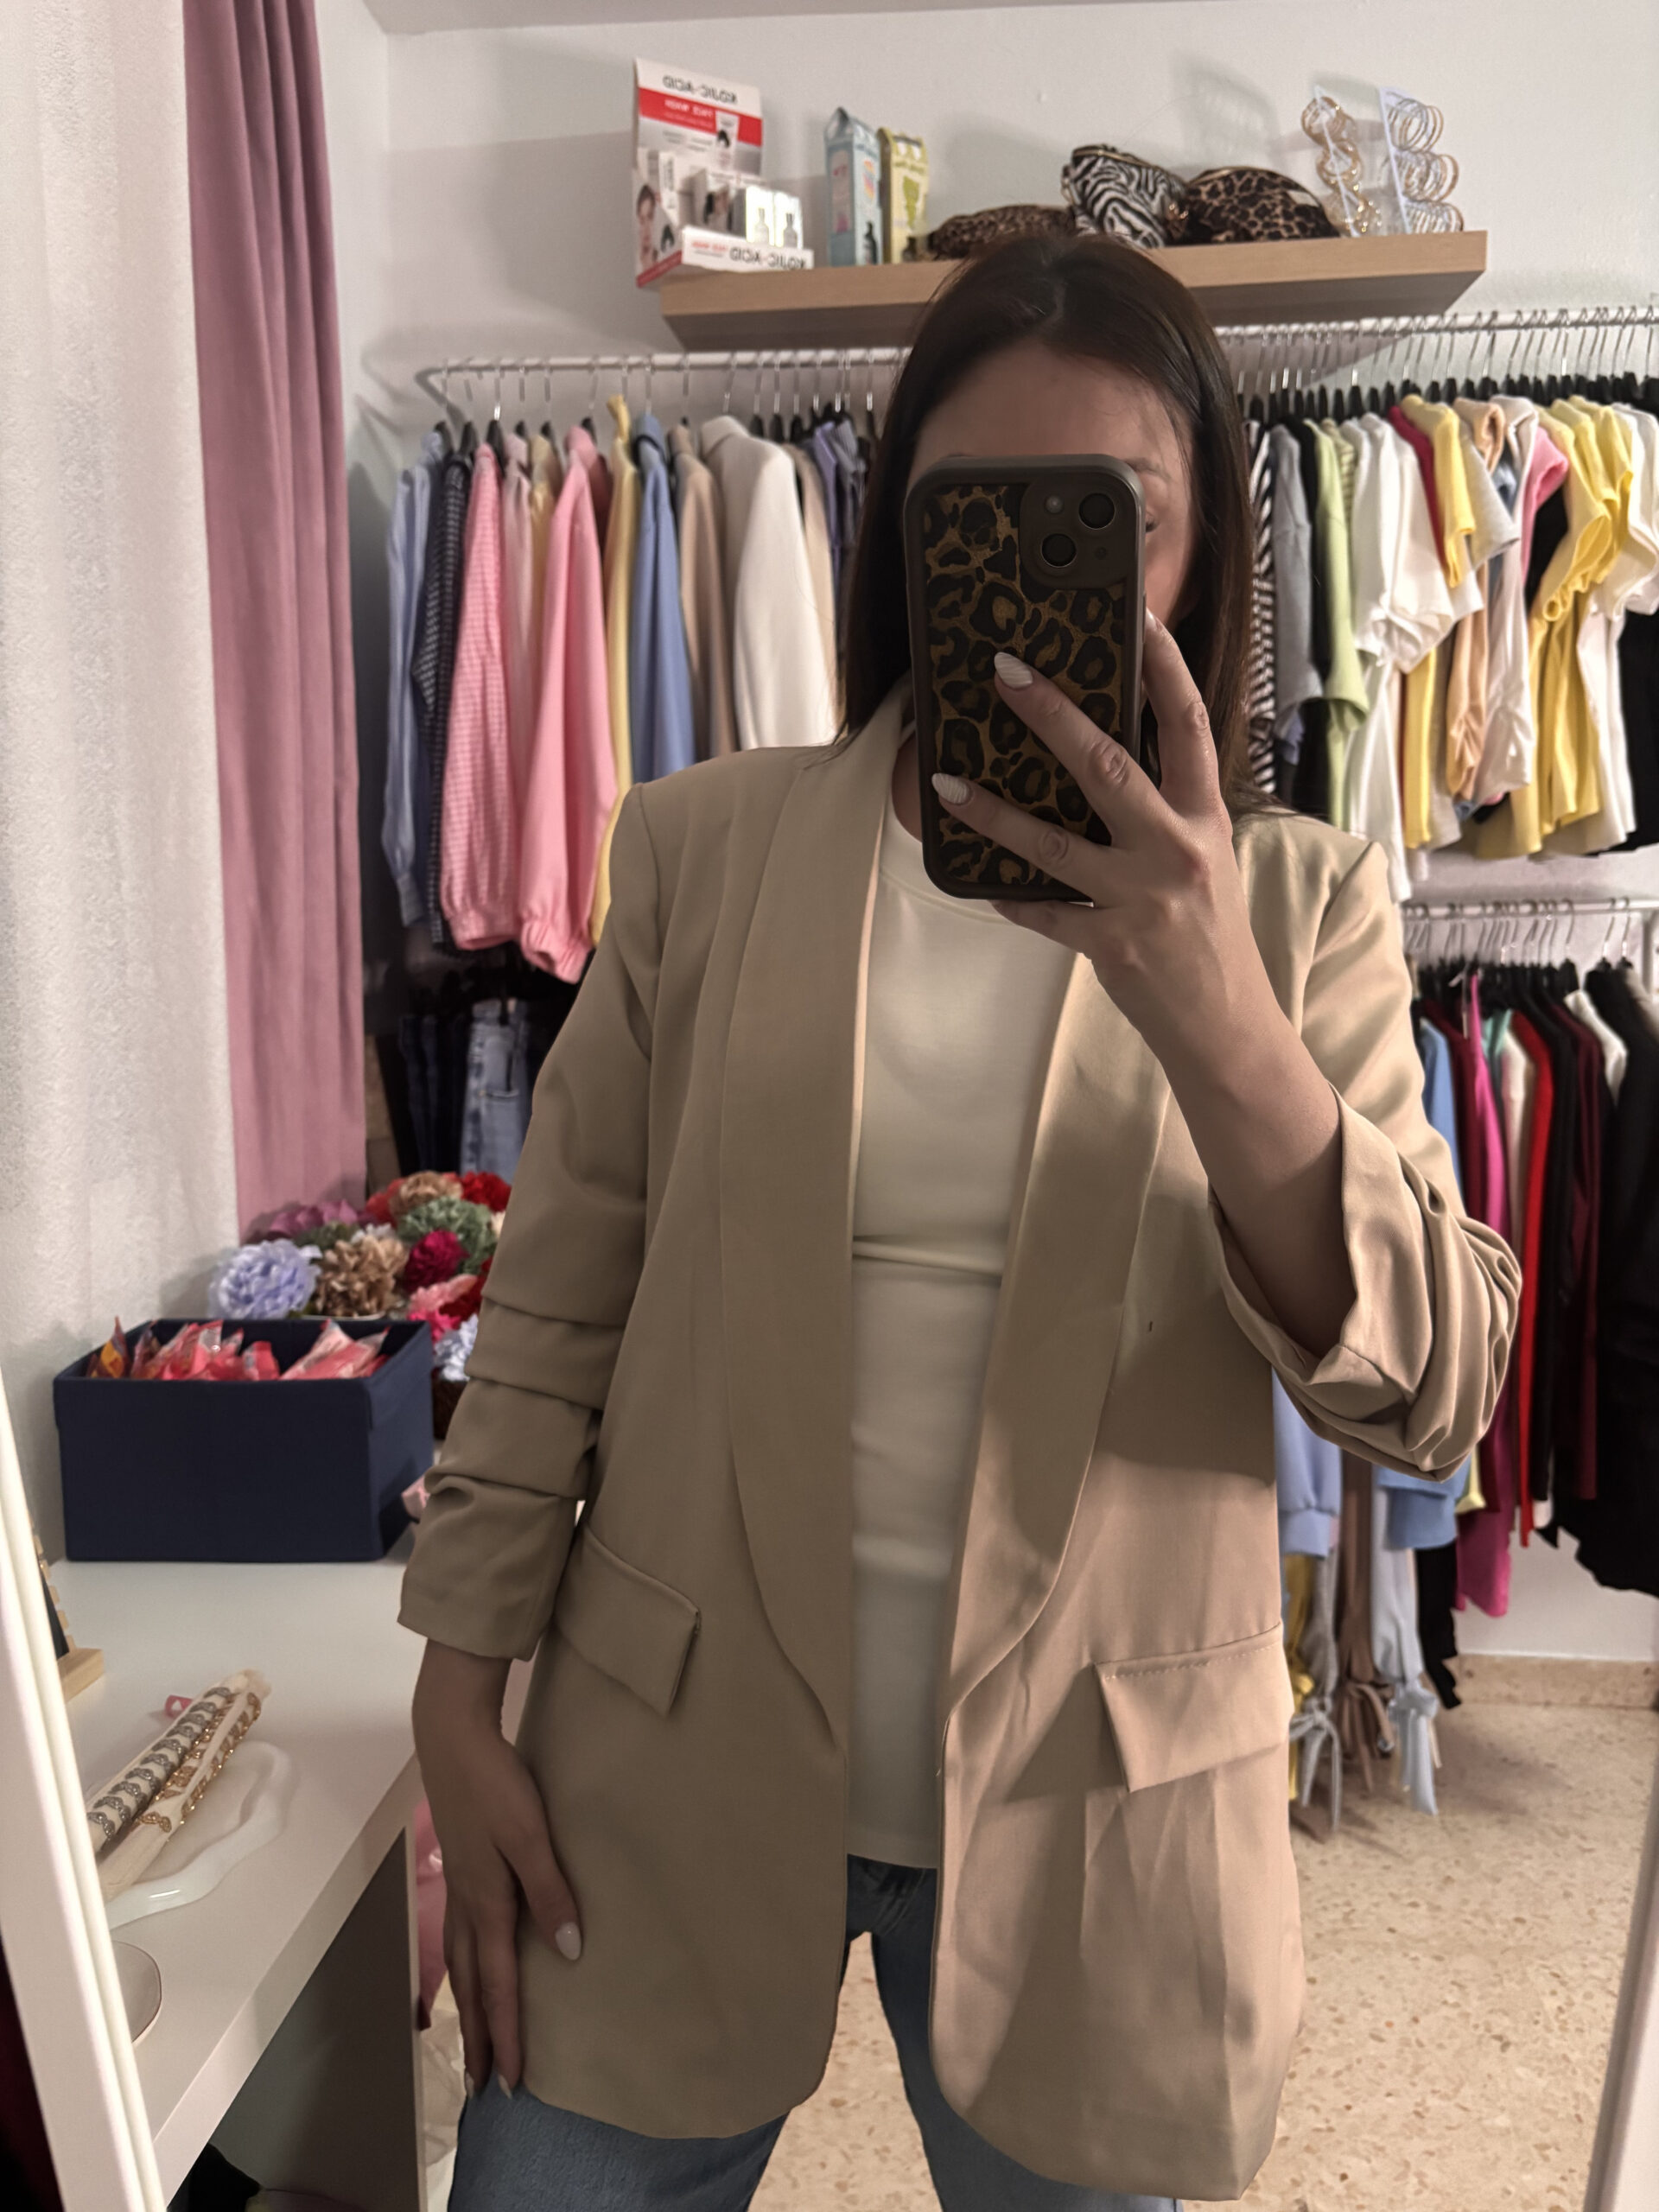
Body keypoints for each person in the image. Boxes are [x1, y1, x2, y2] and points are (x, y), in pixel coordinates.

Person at [404, 233, 1519, 2212]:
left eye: (1112, 515)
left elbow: (1435, 1385)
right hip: (668, 1755)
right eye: (968, 510)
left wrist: (1213, 1006)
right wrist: (456, 1687)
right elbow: (560, 1292)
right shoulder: (700, 851)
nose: (1028, 570)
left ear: (1197, 552)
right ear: (901, 537)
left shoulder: (1300, 908)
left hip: (1099, 1799)